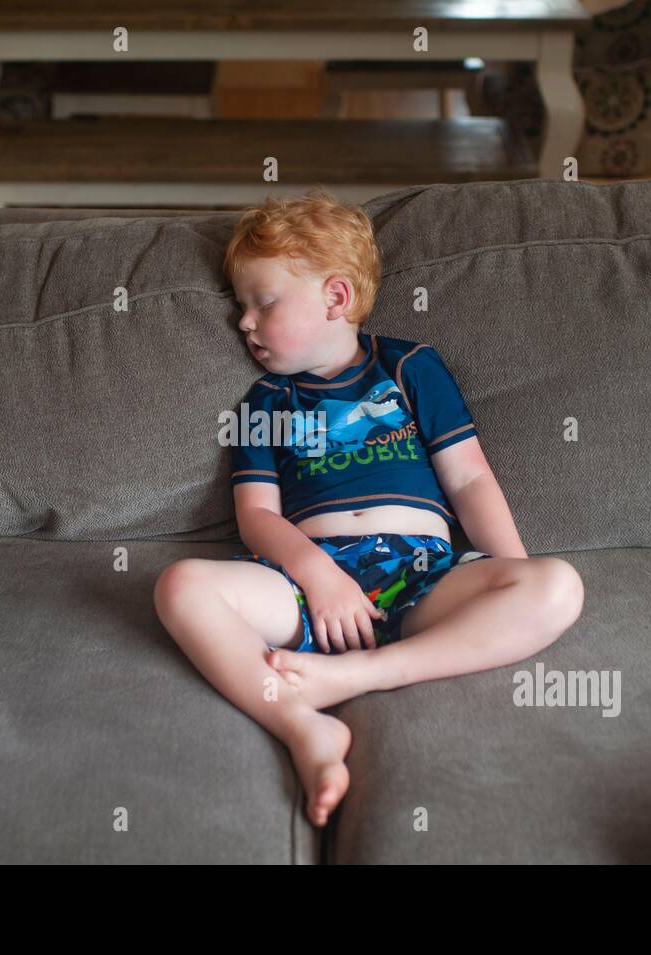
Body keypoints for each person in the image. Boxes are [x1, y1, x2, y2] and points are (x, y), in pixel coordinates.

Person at [153, 187, 584, 828]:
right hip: (305, 581)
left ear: (336, 297)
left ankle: (359, 676)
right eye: (240, 305)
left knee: (556, 587)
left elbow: (467, 481)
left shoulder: (409, 366)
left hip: (424, 575)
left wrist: (504, 574)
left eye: (263, 302)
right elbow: (257, 519)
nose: (242, 322)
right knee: (180, 584)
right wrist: (318, 576)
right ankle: (301, 724)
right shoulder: (265, 403)